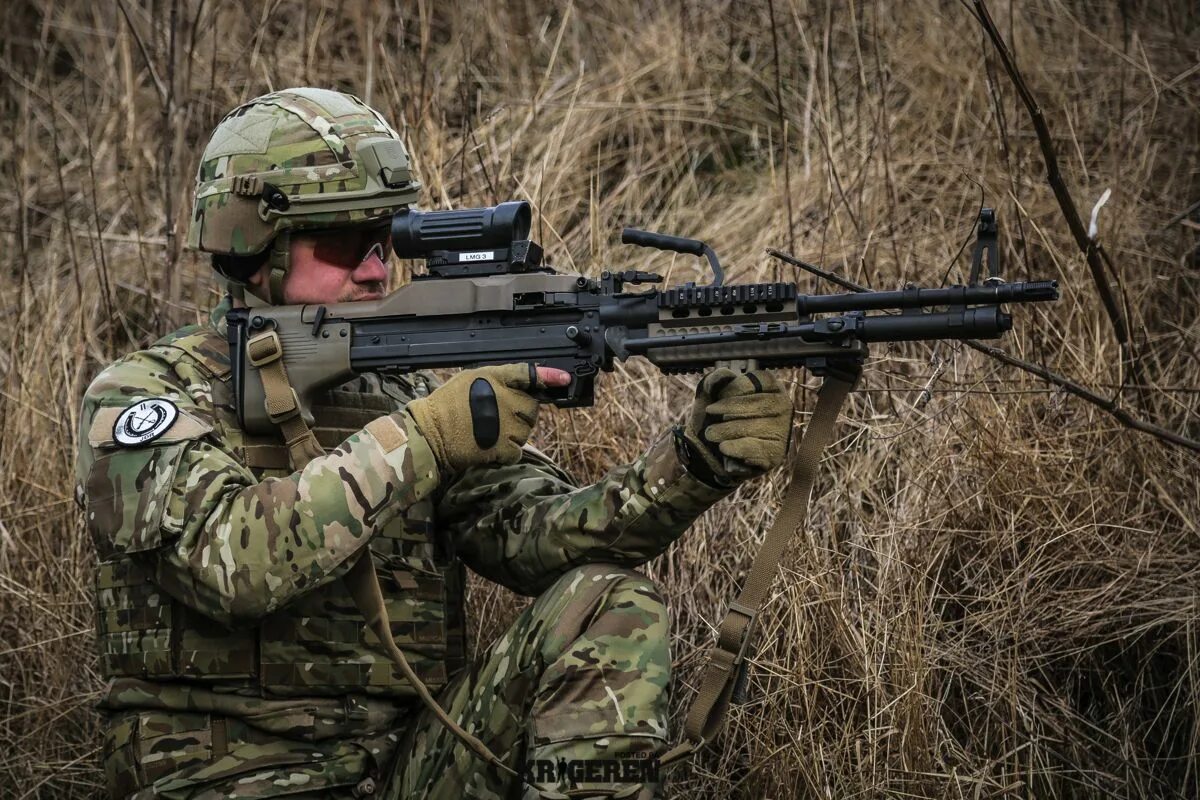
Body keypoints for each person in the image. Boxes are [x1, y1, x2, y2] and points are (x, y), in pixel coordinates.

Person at [75, 87, 794, 800]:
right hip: (222, 776)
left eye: (387, 240)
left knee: (604, 601)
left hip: (409, 769)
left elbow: (541, 538)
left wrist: (693, 462)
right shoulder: (146, 398)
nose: (377, 267)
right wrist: (422, 441)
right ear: (254, 247)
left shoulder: (396, 392)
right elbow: (233, 566)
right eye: (346, 243)